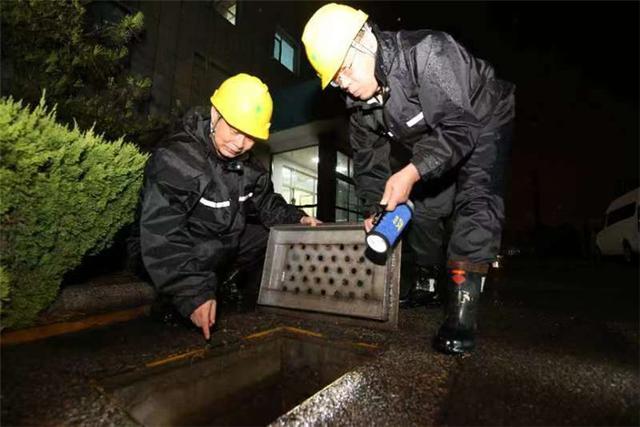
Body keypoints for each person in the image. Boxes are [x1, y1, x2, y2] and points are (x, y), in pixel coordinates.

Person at [302, 4, 514, 354]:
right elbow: (368, 163)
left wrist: (412, 171)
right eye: (336, 79)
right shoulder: (360, 108)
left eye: (347, 70)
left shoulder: (428, 53)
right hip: (434, 137)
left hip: (481, 114)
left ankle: (462, 310)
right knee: (424, 207)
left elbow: (459, 126)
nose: (346, 84)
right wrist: (376, 209)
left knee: (476, 197)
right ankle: (428, 283)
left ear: (365, 39)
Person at [140, 73, 320, 340]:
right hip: (183, 244)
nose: (240, 144)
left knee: (271, 236)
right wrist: (193, 292)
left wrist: (298, 218)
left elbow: (266, 202)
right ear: (215, 114)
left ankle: (238, 292)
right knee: (204, 256)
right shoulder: (177, 160)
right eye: (235, 131)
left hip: (222, 239)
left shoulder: (248, 164)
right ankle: (174, 301)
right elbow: (162, 231)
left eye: (250, 137)